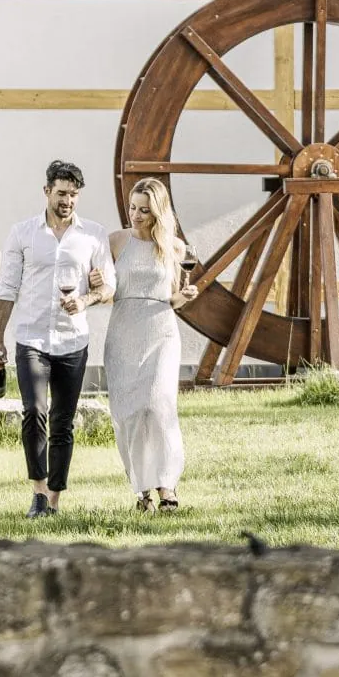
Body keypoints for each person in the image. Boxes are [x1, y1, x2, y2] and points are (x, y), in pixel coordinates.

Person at [0, 160, 112, 517]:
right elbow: (6, 288)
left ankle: (55, 500)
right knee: (34, 413)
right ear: (46, 192)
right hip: (31, 338)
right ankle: (39, 492)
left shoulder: (93, 235)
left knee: (63, 421)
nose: (68, 201)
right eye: (61, 194)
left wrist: (86, 299)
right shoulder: (23, 234)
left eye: (73, 195)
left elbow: (108, 287)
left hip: (73, 341)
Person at [102, 177, 198, 511]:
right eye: (132, 208)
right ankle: (141, 489)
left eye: (144, 210)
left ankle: (167, 487)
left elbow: (171, 298)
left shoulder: (174, 247)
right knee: (130, 413)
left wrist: (183, 297)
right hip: (123, 330)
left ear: (158, 212)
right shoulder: (115, 242)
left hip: (161, 331)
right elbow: (104, 287)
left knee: (159, 405)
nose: (136, 215)